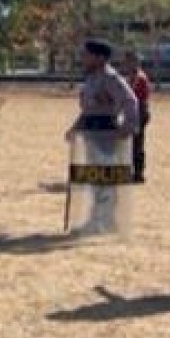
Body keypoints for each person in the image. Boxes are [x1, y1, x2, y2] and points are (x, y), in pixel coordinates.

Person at [65, 40, 139, 236]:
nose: (83, 59)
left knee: (105, 179)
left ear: (100, 57)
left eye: (87, 55)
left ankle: (105, 221)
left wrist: (127, 127)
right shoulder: (91, 79)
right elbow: (89, 110)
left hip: (105, 133)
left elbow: (130, 101)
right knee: (95, 179)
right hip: (90, 132)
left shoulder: (110, 78)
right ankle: (97, 219)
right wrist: (75, 128)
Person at [121, 51, 151, 183]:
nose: (126, 65)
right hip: (135, 111)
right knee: (132, 143)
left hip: (140, 111)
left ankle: (138, 173)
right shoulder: (131, 76)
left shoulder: (138, 77)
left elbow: (132, 95)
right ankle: (133, 171)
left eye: (128, 62)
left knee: (137, 143)